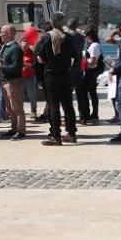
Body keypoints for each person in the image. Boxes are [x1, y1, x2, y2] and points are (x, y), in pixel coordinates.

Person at [36, 13, 78, 145]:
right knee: (68, 106)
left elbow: (40, 57)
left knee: (53, 107)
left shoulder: (47, 37)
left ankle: (56, 136)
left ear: (52, 23)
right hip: (65, 75)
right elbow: (76, 56)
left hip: (51, 75)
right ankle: (71, 134)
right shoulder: (69, 38)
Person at [0, 25, 25, 140]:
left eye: (2, 32)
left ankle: (21, 131)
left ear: (9, 33)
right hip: (6, 81)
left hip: (13, 81)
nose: (0, 34)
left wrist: (1, 66)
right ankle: (14, 128)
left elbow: (16, 67)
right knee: (10, 108)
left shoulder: (15, 48)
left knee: (17, 107)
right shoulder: (6, 47)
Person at [80, 29, 103, 123]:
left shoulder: (94, 46)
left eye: (85, 36)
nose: (85, 38)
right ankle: (94, 113)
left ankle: (90, 113)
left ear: (89, 36)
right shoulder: (95, 45)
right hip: (92, 72)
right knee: (92, 93)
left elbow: (93, 61)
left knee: (86, 92)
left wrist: (84, 60)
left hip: (91, 72)